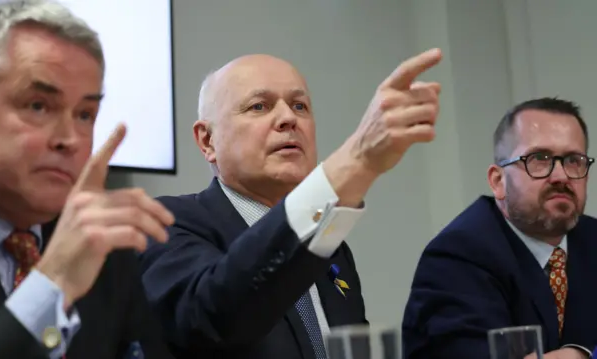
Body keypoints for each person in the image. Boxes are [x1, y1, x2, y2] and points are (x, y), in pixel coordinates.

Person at [139, 50, 443, 359]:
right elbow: (215, 316)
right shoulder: (164, 223)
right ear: (207, 140)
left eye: (300, 106)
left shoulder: (330, 248)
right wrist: (356, 159)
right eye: (259, 106)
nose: (288, 118)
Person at [0, 1, 175, 358]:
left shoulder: (103, 251)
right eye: (39, 106)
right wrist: (52, 282)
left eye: (86, 114)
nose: (70, 139)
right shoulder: (77, 252)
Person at [402, 98, 597, 359]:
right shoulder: (457, 256)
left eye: (574, 160)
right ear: (498, 181)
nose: (561, 176)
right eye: (539, 158)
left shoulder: (592, 239)